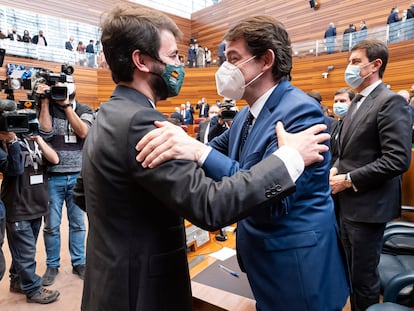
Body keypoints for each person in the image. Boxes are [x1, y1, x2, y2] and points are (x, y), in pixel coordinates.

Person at [76, 6, 331, 311]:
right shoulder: (142, 123)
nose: (178, 65)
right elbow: (210, 205)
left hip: (291, 270)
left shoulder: (109, 112)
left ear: (266, 61)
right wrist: (288, 158)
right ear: (141, 61)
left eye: (233, 59)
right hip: (139, 287)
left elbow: (83, 192)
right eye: (172, 57)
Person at [136, 15, 349, 311]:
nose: (225, 69)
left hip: (298, 270)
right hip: (265, 261)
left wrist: (197, 151)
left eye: (234, 58)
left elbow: (272, 198)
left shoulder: (299, 112)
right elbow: (216, 153)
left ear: (265, 61)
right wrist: (180, 149)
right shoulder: (245, 115)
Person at [330, 39, 412, 311]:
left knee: (364, 281)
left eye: (355, 62)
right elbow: (349, 151)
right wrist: (336, 168)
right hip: (346, 206)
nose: (349, 68)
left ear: (375, 65)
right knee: (351, 274)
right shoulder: (355, 103)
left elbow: (397, 159)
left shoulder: (389, 102)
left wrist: (347, 179)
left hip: (367, 208)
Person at [36, 79, 94, 286]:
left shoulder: (86, 109)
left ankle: (79, 262)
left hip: (79, 176)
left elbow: (83, 132)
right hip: (53, 175)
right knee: (51, 225)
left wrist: (67, 107)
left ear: (73, 92)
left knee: (78, 224)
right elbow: (45, 133)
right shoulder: (48, 107)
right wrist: (44, 102)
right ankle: (52, 265)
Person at [1, 128, 61, 304]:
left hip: (37, 204)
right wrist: (10, 141)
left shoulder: (35, 139)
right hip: (17, 205)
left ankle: (18, 281)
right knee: (26, 252)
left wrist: (39, 140)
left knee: (24, 250)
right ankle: (33, 289)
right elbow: (13, 169)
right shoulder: (4, 143)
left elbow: (55, 159)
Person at [329, 88, 355, 167]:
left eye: (342, 101)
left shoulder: (357, 125)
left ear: (353, 103)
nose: (338, 104)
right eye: (336, 101)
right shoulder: (334, 124)